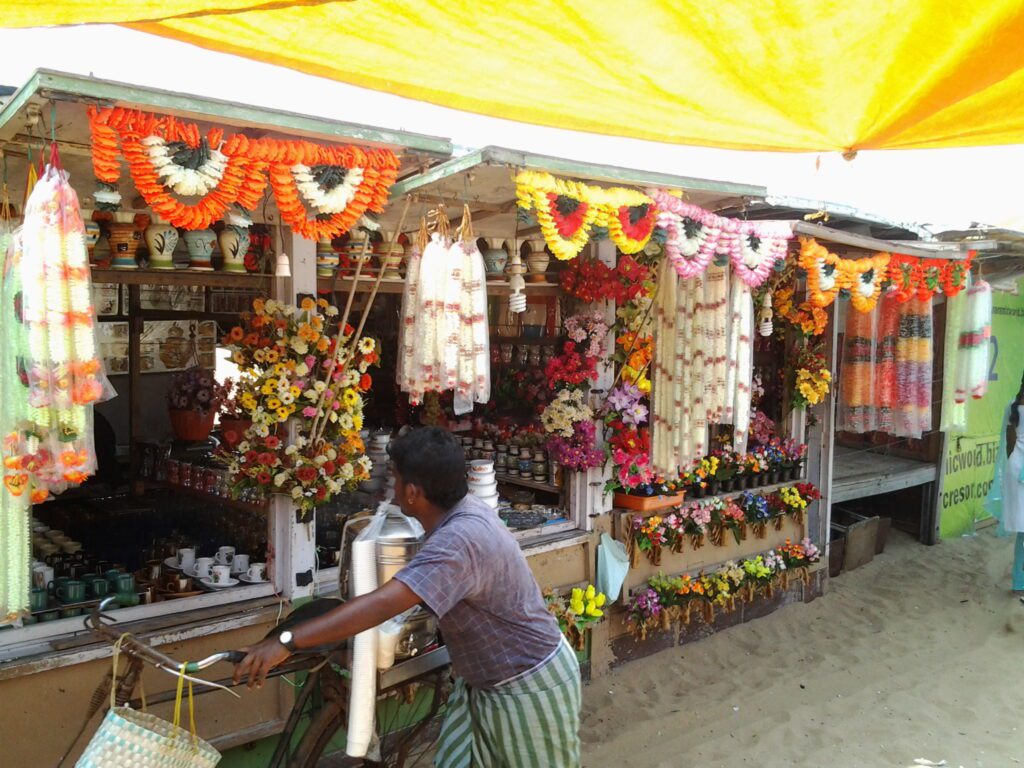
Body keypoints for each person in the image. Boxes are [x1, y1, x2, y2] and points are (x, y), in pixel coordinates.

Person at [233, 427, 581, 766]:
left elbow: (384, 604)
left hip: (526, 686)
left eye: (395, 477)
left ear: (412, 492)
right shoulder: (460, 513)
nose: (392, 487)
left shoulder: (459, 539)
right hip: (487, 683)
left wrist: (288, 641)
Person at [985, 371, 1024, 593]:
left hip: (1015, 466)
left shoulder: (1013, 405)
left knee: (1022, 530)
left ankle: (1019, 581)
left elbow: (1009, 446)